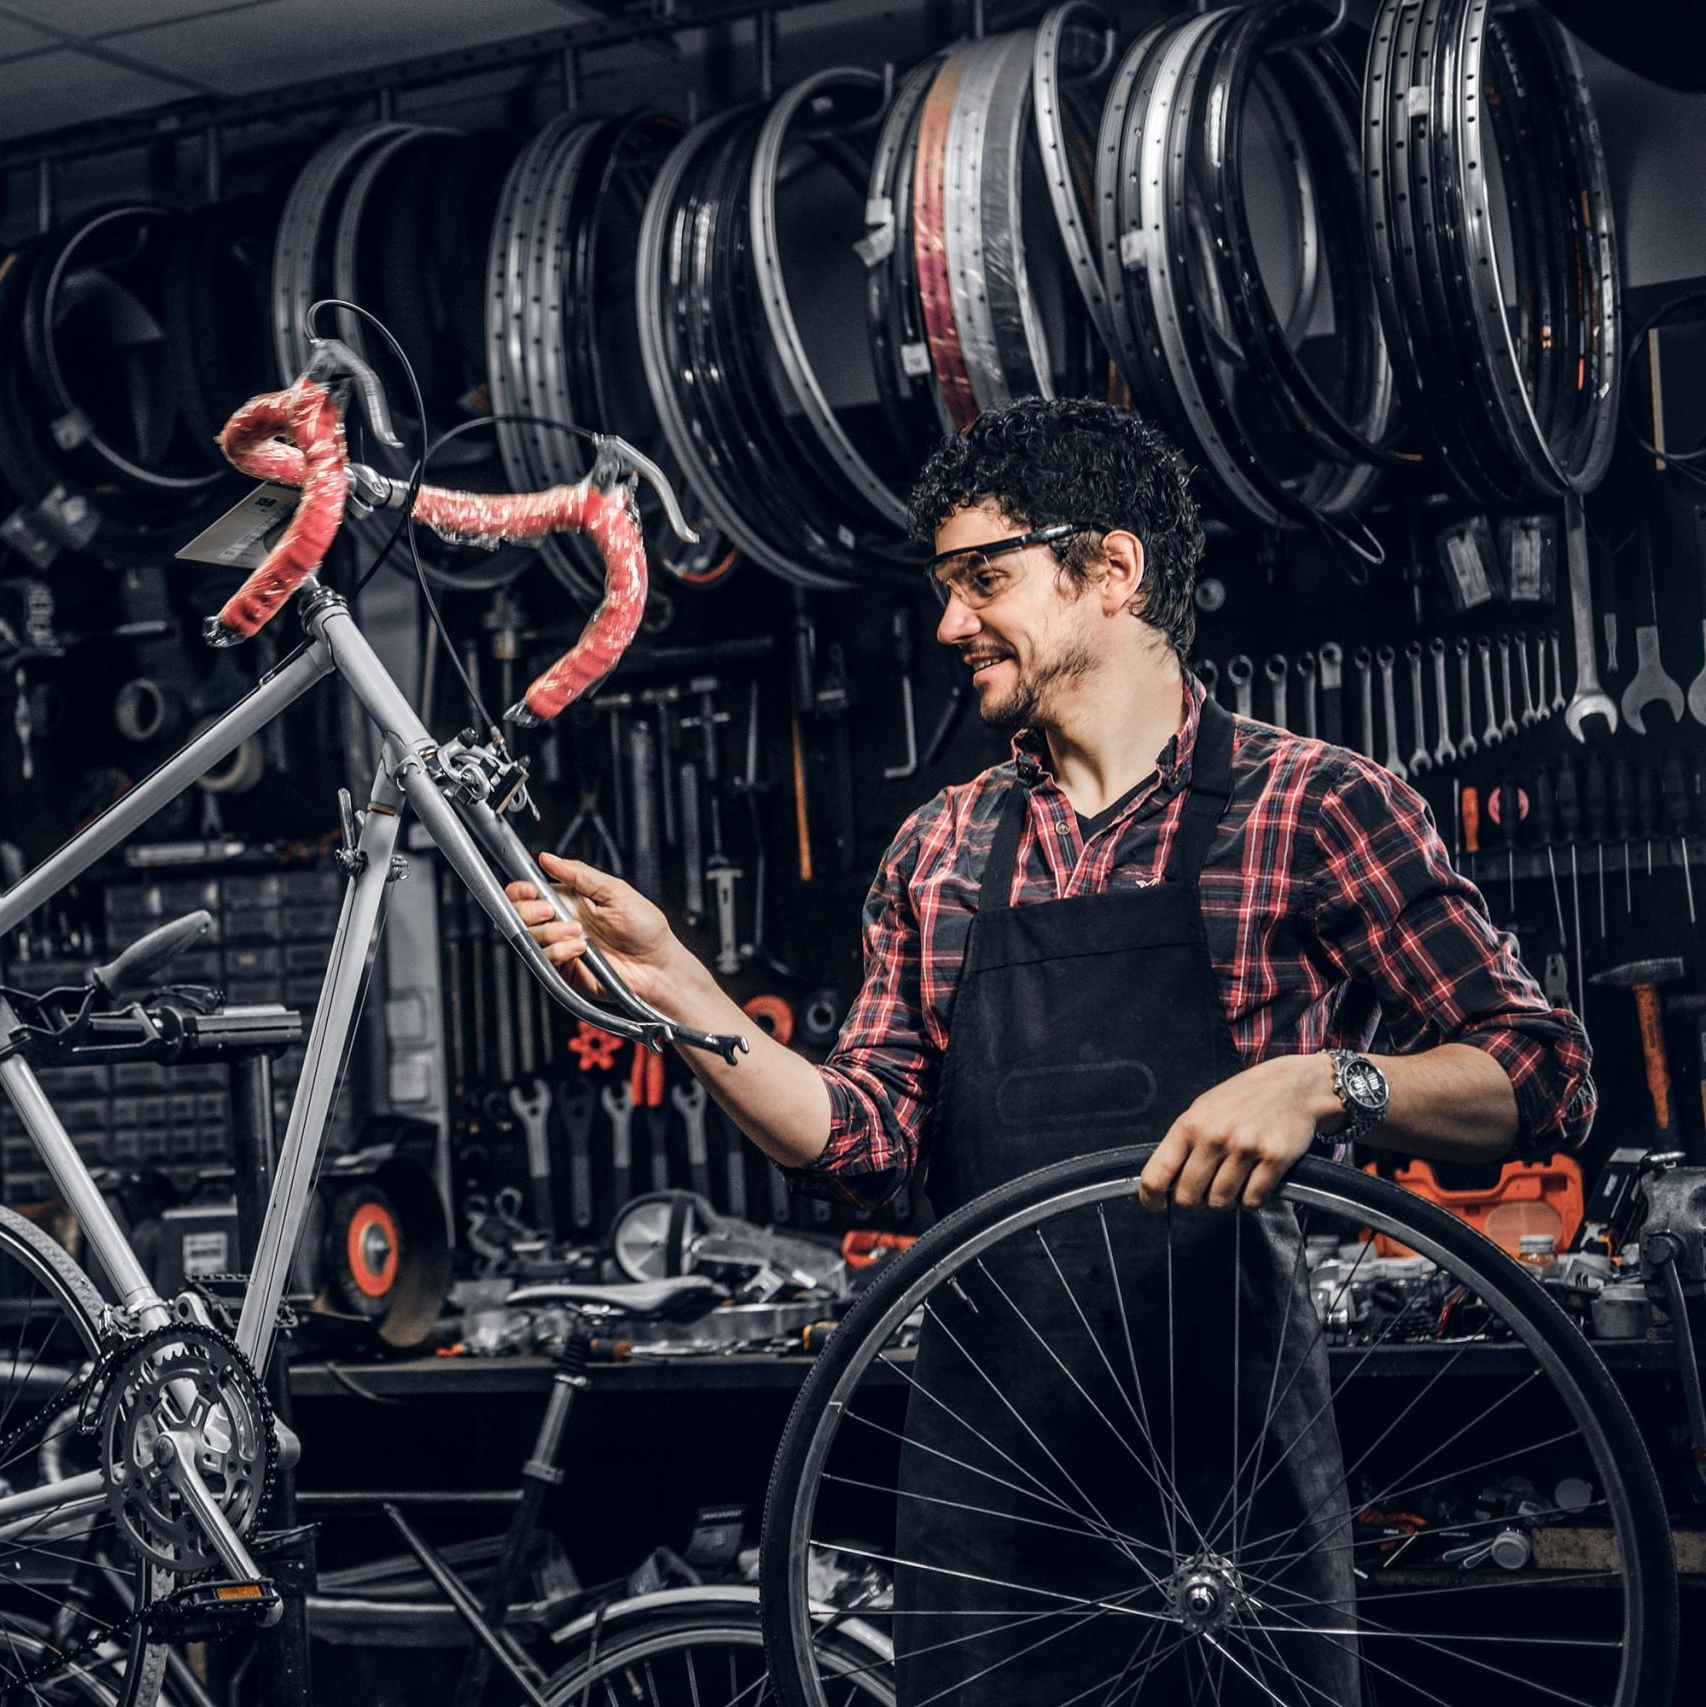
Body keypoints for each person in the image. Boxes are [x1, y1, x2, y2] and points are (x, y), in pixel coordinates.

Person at [507, 397, 1592, 1703]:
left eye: (984, 580)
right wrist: (678, 986)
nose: (948, 622)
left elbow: (1541, 1072)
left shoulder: (1316, 804)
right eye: (946, 587)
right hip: (993, 1488)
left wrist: (1332, 1082)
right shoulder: (940, 848)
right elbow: (862, 1147)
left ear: (1111, 571)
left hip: (1225, 1476)